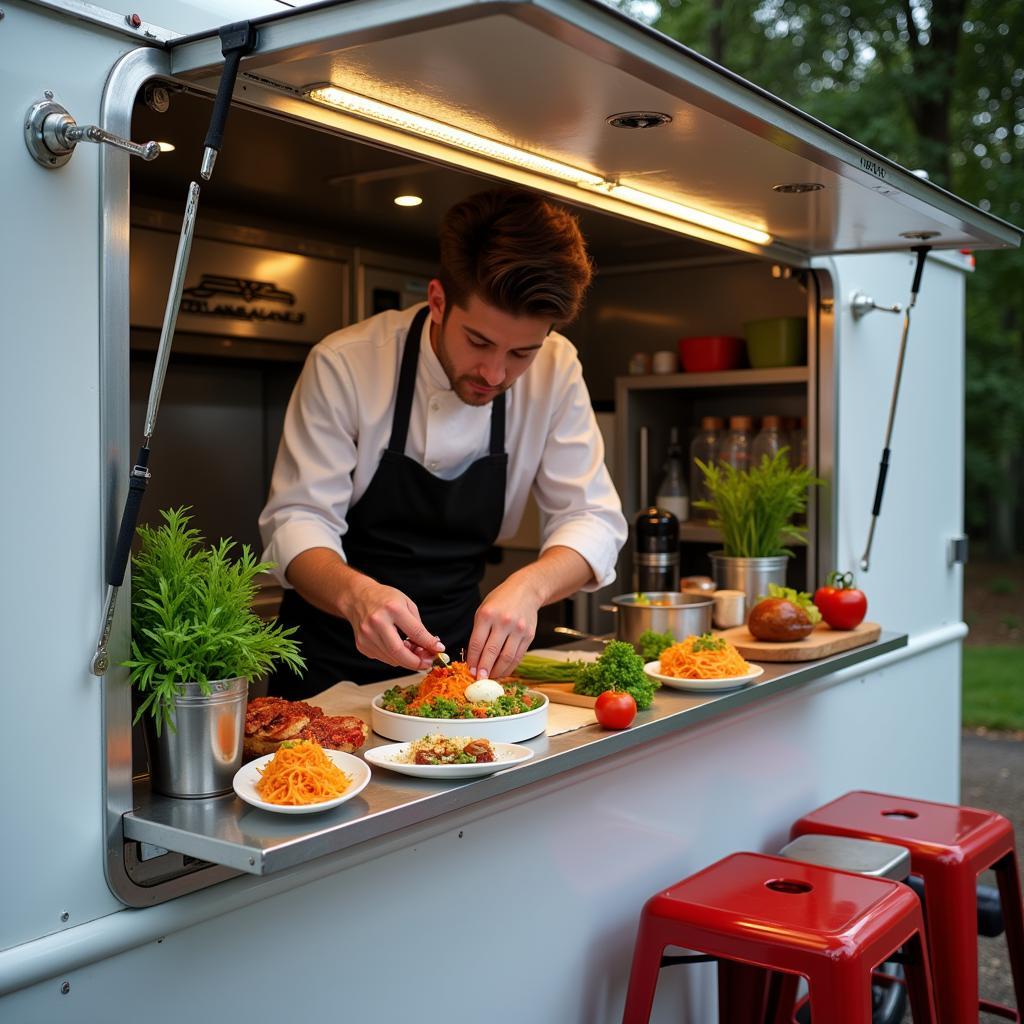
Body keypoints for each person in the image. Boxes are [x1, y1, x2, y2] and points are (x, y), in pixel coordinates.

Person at [259, 187, 627, 697]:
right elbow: (296, 522)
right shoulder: (346, 363)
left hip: (459, 667)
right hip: (330, 666)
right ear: (437, 301)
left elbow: (594, 519)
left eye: (522, 352)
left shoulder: (557, 367)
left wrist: (530, 587)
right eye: (479, 342)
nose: (496, 373)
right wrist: (357, 596)